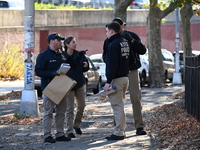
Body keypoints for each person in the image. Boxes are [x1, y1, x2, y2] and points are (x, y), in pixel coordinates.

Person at [110, 17, 147, 135]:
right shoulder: (110, 39)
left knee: (135, 98)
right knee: (117, 100)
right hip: (118, 73)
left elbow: (142, 50)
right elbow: (106, 55)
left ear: (123, 26)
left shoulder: (131, 36)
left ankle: (139, 126)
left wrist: (132, 41)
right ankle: (119, 127)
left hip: (132, 71)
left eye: (120, 25)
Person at [35, 33, 71, 143]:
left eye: (61, 40)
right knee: (48, 112)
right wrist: (54, 73)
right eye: (58, 40)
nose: (60, 42)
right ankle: (47, 135)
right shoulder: (43, 55)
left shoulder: (62, 55)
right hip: (49, 87)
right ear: (51, 41)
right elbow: (39, 71)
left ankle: (60, 134)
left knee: (61, 112)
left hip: (61, 87)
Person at [104, 22, 131, 140]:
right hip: (125, 77)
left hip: (117, 79)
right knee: (120, 105)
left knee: (117, 106)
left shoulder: (113, 44)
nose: (106, 34)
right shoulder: (124, 42)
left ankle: (119, 132)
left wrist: (108, 81)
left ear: (111, 31)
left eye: (106, 31)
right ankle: (121, 130)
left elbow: (112, 64)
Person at [63, 36, 89, 138]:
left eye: (75, 42)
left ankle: (76, 124)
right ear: (67, 44)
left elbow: (85, 68)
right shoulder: (63, 55)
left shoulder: (80, 54)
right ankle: (69, 130)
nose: (75, 44)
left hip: (79, 83)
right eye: (73, 42)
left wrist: (86, 65)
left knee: (81, 105)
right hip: (68, 84)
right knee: (70, 108)